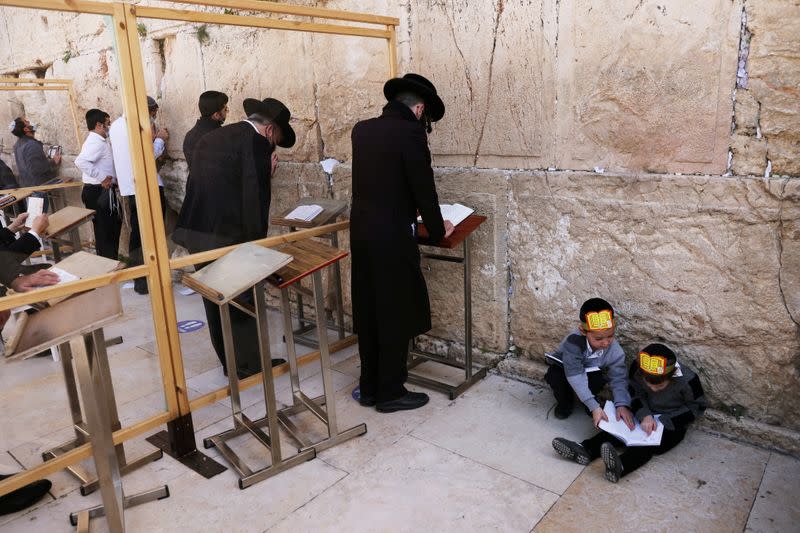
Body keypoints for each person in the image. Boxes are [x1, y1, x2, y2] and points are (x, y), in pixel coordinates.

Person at [349, 73, 455, 413]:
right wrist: (439, 230)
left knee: (369, 310)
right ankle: (391, 392)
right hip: (393, 236)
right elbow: (423, 188)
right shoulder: (410, 132)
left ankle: (369, 388)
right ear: (420, 108)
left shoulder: (362, 130)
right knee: (394, 311)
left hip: (362, 233)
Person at [173, 97, 294, 377]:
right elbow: (253, 197)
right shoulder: (254, 143)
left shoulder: (211, 137)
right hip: (228, 237)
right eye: (276, 138)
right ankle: (249, 366)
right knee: (242, 302)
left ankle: (230, 361)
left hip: (196, 232)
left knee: (214, 299)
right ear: (269, 130)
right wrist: (257, 249)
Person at [552, 343, 707, 482]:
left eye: (659, 387)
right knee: (618, 428)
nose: (652, 389)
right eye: (648, 384)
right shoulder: (637, 368)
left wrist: (663, 422)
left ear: (672, 376)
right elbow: (633, 391)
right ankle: (585, 450)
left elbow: (698, 407)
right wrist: (644, 414)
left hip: (671, 422)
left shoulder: (689, 380)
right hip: (643, 412)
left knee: (646, 445)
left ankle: (621, 466)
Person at [109, 96, 168, 294]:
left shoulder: (116, 125)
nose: (153, 118)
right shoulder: (136, 126)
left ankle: (140, 278)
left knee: (138, 233)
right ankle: (148, 280)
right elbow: (147, 155)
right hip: (146, 186)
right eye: (152, 114)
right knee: (153, 232)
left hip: (129, 187)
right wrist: (160, 139)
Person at [543, 298, 635, 425]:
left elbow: (619, 377)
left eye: (610, 336)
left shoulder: (615, 350)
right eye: (599, 338)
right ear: (583, 331)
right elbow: (575, 376)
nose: (606, 342)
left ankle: (590, 404)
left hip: (590, 373)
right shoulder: (573, 343)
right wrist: (594, 406)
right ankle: (566, 402)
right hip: (567, 371)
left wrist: (622, 404)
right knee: (555, 375)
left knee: (597, 380)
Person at [74, 109, 121, 260]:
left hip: (100, 190)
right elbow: (80, 161)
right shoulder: (95, 142)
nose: (109, 126)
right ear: (99, 125)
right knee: (106, 231)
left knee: (109, 228)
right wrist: (103, 178)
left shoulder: (98, 141)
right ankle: (108, 265)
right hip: (98, 191)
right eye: (108, 123)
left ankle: (109, 263)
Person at [10, 117, 61, 211]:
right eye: (26, 122)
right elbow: (38, 168)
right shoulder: (31, 144)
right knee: (38, 220)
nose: (29, 122)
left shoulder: (17, 145)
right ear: (26, 129)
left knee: (34, 219)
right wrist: (54, 162)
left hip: (28, 187)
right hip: (37, 189)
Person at [183, 90, 228, 173]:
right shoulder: (221, 137)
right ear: (216, 115)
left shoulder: (189, 135)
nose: (227, 112)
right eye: (225, 109)